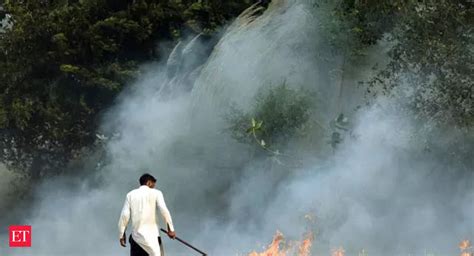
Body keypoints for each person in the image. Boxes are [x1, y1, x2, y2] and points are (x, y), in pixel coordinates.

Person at [118, 173, 176, 256]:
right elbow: (164, 210)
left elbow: (124, 215)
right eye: (153, 184)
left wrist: (121, 234)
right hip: (153, 239)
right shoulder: (156, 193)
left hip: (136, 239)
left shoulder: (130, 195)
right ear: (148, 182)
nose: (154, 187)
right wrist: (171, 229)